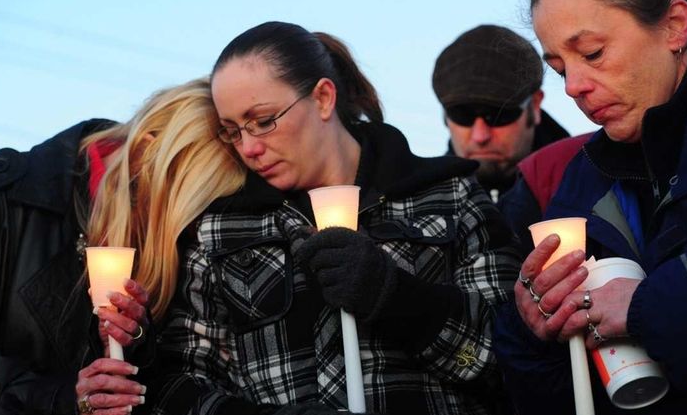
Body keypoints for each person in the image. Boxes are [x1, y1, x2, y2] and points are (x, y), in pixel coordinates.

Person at [152, 22, 521, 415]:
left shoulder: (448, 195)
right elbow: (180, 381)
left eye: (262, 121)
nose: (249, 147)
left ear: (324, 98)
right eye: (232, 131)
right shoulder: (221, 229)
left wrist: (394, 296)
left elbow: (513, 363)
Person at [493, 0, 687, 414]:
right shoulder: (586, 177)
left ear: (675, 26)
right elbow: (556, 399)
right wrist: (532, 329)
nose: (573, 87)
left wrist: (644, 306)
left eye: (593, 53)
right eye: (560, 68)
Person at [0, 77, 245, 414]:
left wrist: (136, 349)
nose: (186, 231)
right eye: (179, 206)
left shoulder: (175, 250)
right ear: (140, 156)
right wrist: (63, 401)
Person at [432, 25, 569, 202]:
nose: (480, 136)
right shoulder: (417, 206)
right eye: (462, 115)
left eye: (498, 115)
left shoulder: (591, 186)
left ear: (535, 105)